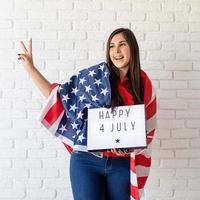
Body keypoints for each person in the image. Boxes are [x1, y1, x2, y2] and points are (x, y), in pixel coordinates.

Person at [18, 28, 156, 200]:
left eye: (122, 45)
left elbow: (146, 130)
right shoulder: (95, 77)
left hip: (122, 165)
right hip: (86, 162)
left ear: (133, 49)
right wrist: (31, 68)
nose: (116, 51)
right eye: (111, 46)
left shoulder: (142, 83)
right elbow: (59, 96)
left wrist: (127, 145)